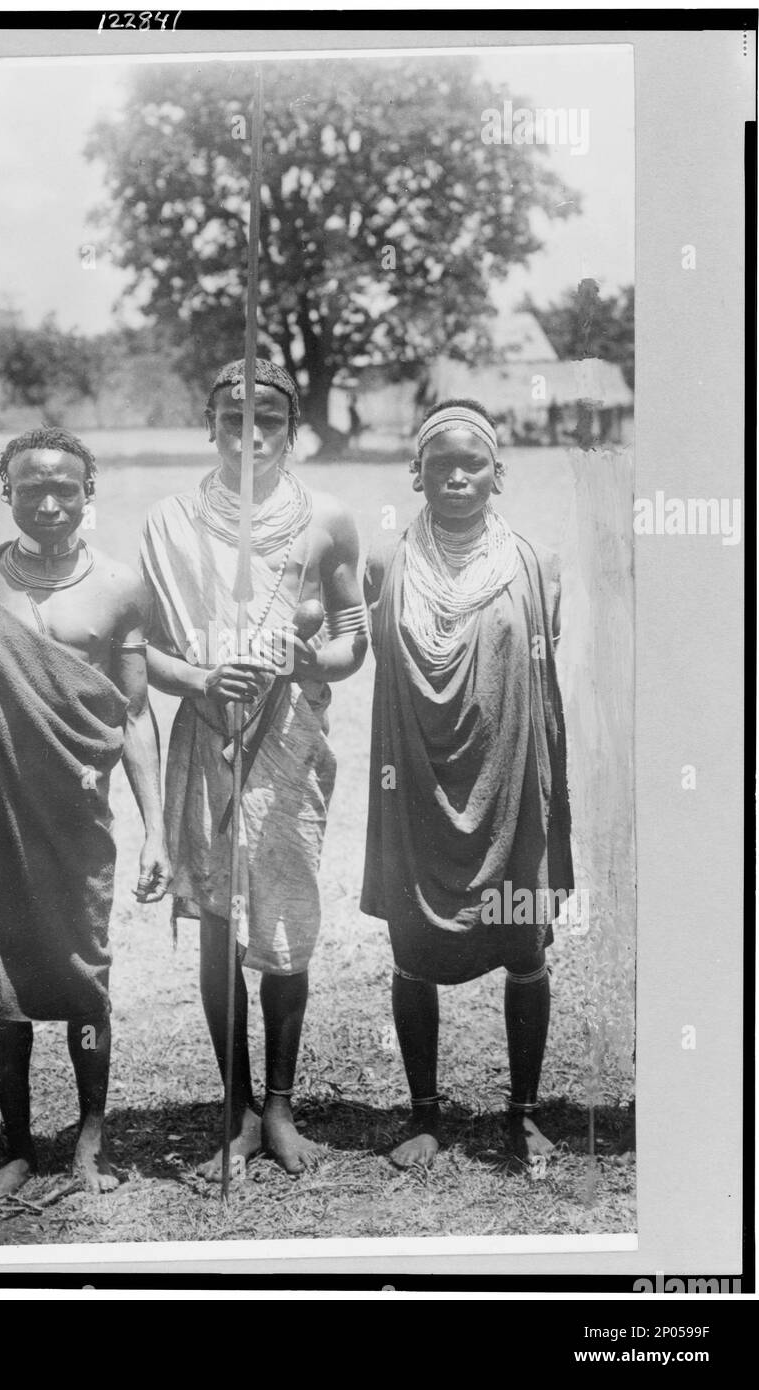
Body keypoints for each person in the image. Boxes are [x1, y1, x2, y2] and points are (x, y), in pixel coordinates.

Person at [0, 426, 172, 1198]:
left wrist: (158, 830)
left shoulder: (120, 587)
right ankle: (15, 1146)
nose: (49, 501)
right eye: (31, 487)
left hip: (76, 813)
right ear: (5, 493)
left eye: (65, 487)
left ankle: (90, 1140)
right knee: (1, 969)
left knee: (85, 973)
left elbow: (136, 714)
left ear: (89, 494)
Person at [140, 358, 367, 1178]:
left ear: (292, 428)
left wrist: (316, 659)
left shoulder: (328, 519)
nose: (251, 434)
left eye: (268, 418)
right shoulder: (169, 522)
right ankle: (234, 1108)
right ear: (211, 426)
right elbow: (145, 653)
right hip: (206, 738)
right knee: (218, 923)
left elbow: (353, 634)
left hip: (291, 741)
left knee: (283, 918)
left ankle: (279, 1105)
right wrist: (202, 679)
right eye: (233, 419)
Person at [361, 399, 573, 1174]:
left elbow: (540, 666)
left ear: (499, 473)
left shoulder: (537, 563)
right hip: (414, 778)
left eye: (473, 462)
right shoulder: (385, 567)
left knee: (523, 941)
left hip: (511, 777)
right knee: (412, 946)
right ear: (415, 473)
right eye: (440, 463)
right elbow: (376, 663)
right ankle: (424, 1115)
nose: (456, 476)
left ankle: (524, 1113)